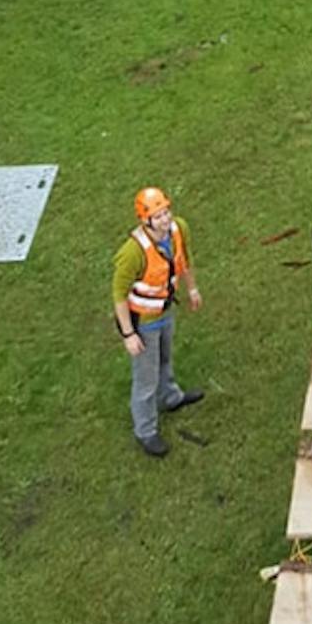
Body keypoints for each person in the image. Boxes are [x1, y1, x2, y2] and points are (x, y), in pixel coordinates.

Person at [114, 184, 208, 458]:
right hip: (143, 322)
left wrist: (192, 289)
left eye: (166, 212)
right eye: (158, 216)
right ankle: (145, 430)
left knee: (165, 359)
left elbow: (183, 261)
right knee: (145, 378)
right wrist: (129, 334)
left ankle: (169, 397)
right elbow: (119, 295)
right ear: (146, 220)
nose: (165, 219)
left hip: (165, 312)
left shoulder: (179, 229)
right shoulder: (132, 252)